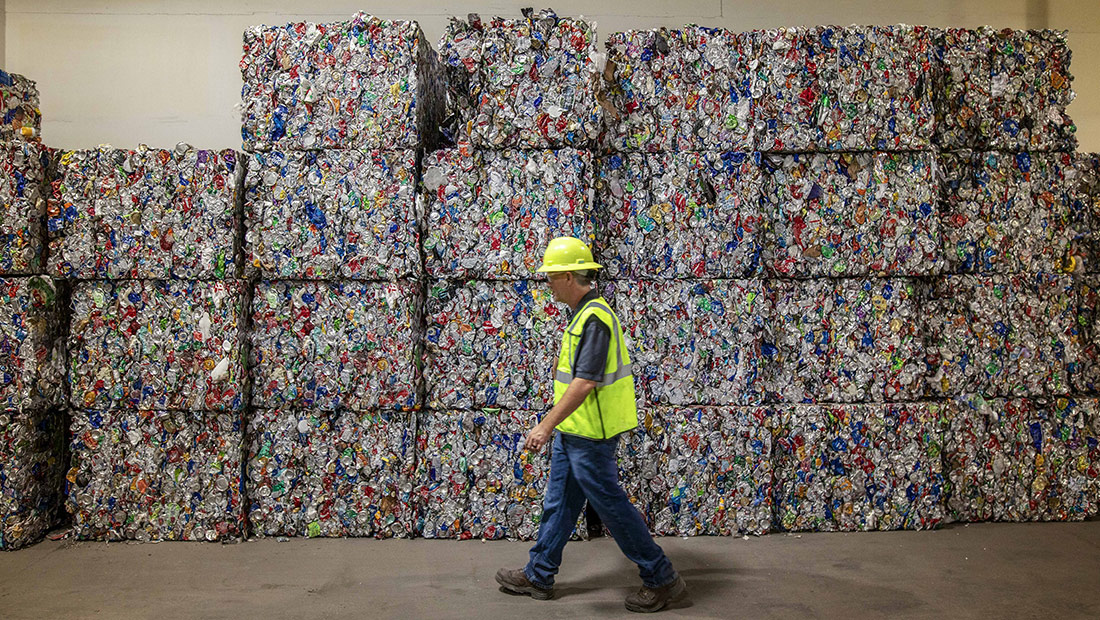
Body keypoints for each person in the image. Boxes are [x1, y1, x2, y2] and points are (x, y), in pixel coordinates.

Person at [495, 237, 686, 613]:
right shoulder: (582, 314)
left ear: (569, 276)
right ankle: (539, 573)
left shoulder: (595, 318)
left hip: (591, 436)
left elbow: (584, 383)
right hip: (575, 431)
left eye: (552, 276)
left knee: (611, 507)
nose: (548, 284)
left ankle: (661, 577)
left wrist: (545, 425)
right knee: (559, 503)